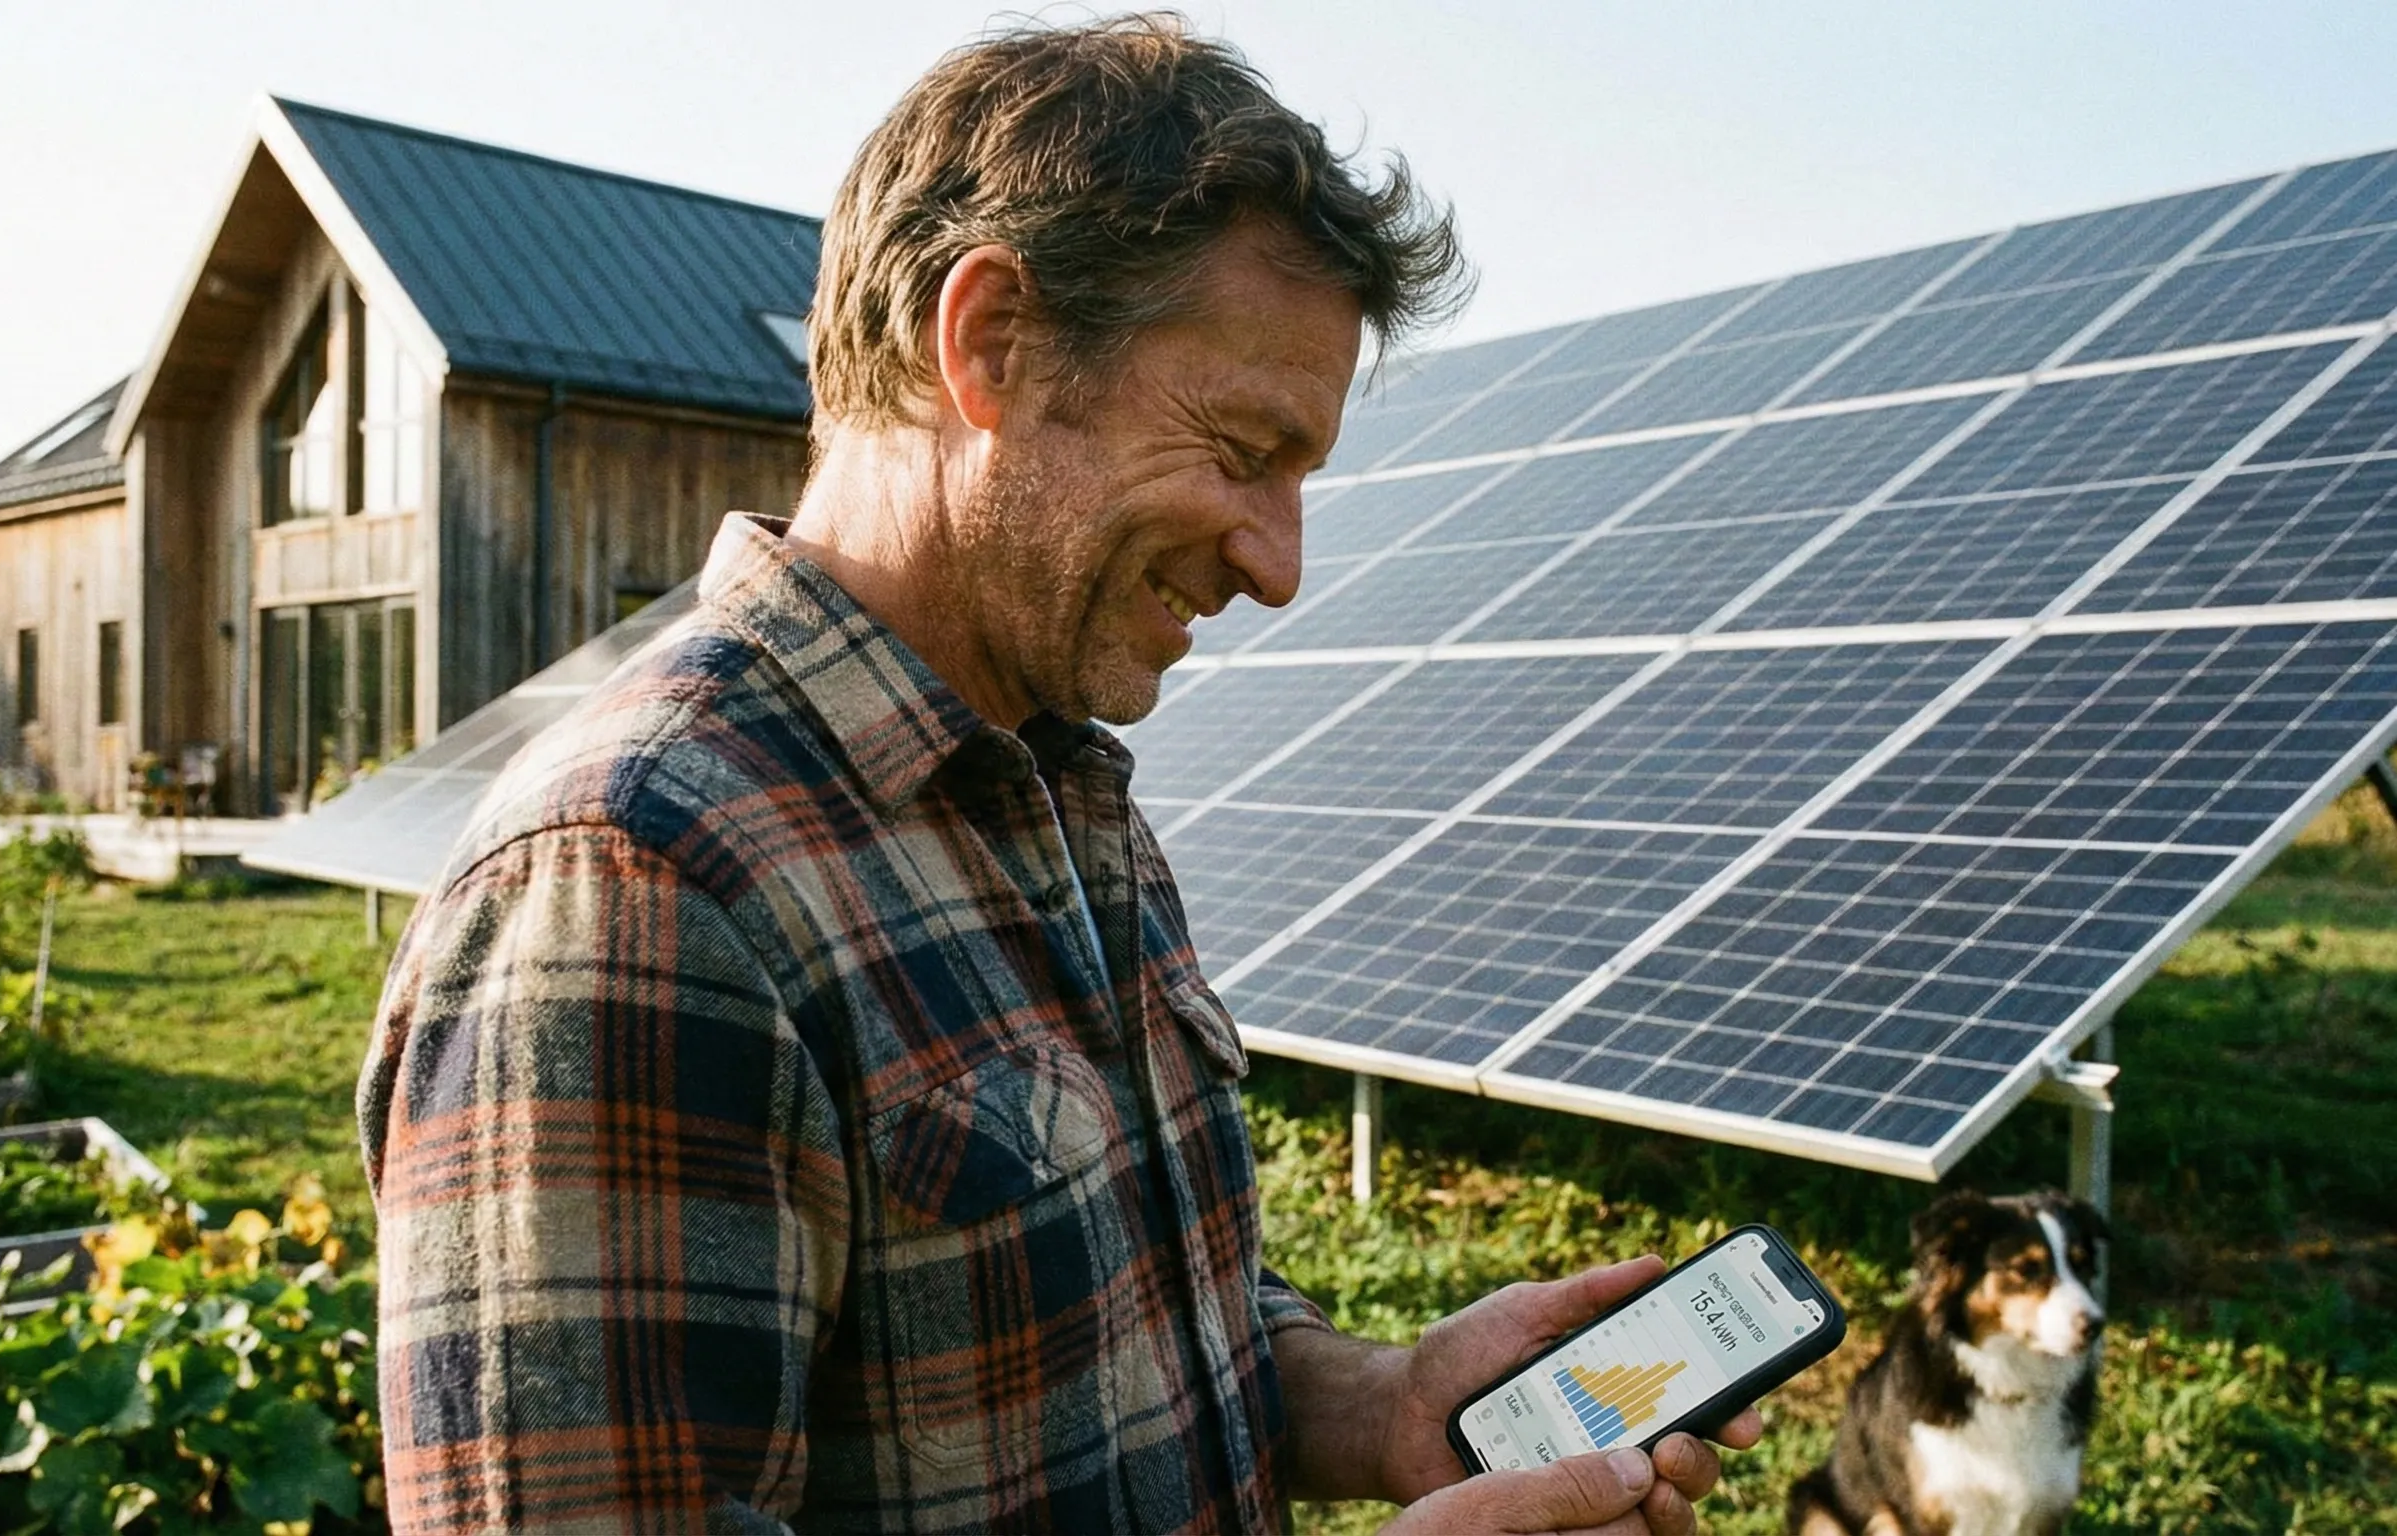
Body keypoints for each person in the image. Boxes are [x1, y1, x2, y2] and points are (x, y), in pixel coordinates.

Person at [359, 15, 1759, 1533]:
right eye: (1240, 448)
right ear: (992, 344)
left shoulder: (1060, 792)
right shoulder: (633, 884)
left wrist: (1380, 1405)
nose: (1279, 565)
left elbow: (1102, 1323)